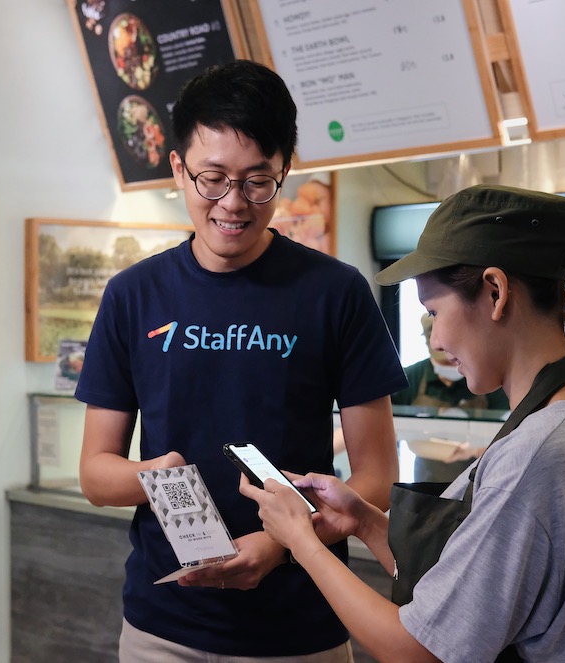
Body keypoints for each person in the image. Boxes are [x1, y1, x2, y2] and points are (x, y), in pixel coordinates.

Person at [75, 59, 408, 661]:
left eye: (258, 182)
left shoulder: (336, 293)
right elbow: (97, 474)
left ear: (286, 171)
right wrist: (159, 478)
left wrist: (282, 543)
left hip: (301, 629)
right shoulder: (134, 295)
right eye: (213, 179)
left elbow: (374, 480)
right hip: (162, 630)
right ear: (178, 168)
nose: (233, 203)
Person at [241, 184, 565, 662]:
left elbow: (419, 649)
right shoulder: (564, 424)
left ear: (495, 291)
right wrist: (363, 521)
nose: (436, 341)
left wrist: (299, 539)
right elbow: (468, 589)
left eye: (434, 313)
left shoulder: (532, 459)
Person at [393, 313, 510, 483]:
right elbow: (381, 423)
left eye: (455, 360)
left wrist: (475, 449)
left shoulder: (485, 378)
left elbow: (508, 434)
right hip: (427, 481)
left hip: (478, 478)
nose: (450, 363)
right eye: (443, 362)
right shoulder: (411, 377)